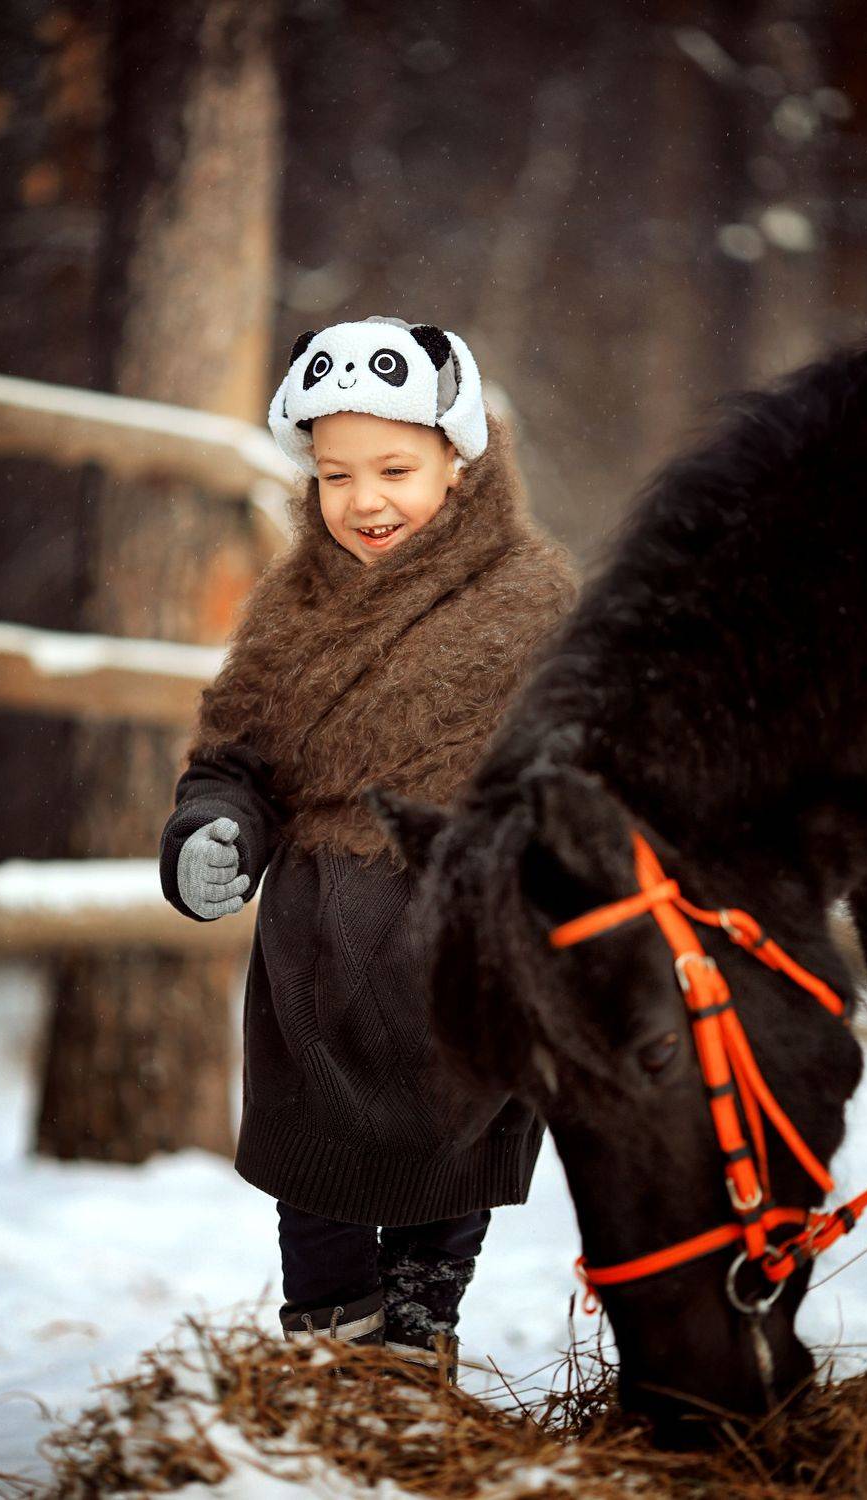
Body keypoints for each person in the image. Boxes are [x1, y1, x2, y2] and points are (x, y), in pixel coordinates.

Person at [159, 314, 576, 1380]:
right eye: (336, 474)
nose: (364, 500)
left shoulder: (531, 607)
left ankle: (419, 1342)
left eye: (395, 469)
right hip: (320, 960)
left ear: (459, 461)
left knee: (451, 1166)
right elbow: (237, 759)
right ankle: (332, 1363)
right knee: (319, 1187)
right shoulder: (291, 611)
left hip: (467, 952)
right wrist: (213, 830)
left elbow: (578, 770)